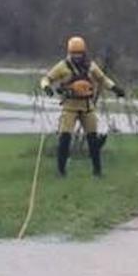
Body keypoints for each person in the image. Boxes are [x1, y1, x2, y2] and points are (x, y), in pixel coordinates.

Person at [39, 35, 126, 177]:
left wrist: (115, 88)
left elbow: (102, 79)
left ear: (84, 52)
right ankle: (61, 172)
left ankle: (97, 171)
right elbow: (46, 79)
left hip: (87, 106)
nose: (77, 56)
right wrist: (47, 87)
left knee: (93, 139)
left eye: (79, 53)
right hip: (69, 107)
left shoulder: (91, 66)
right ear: (69, 53)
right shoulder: (62, 66)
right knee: (65, 138)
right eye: (74, 53)